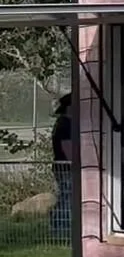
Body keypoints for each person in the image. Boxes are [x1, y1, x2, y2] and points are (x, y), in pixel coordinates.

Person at [50, 93, 73, 239]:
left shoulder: (65, 122)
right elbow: (67, 148)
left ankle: (61, 229)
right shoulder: (65, 124)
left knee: (66, 197)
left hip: (64, 166)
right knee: (67, 197)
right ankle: (60, 230)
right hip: (66, 168)